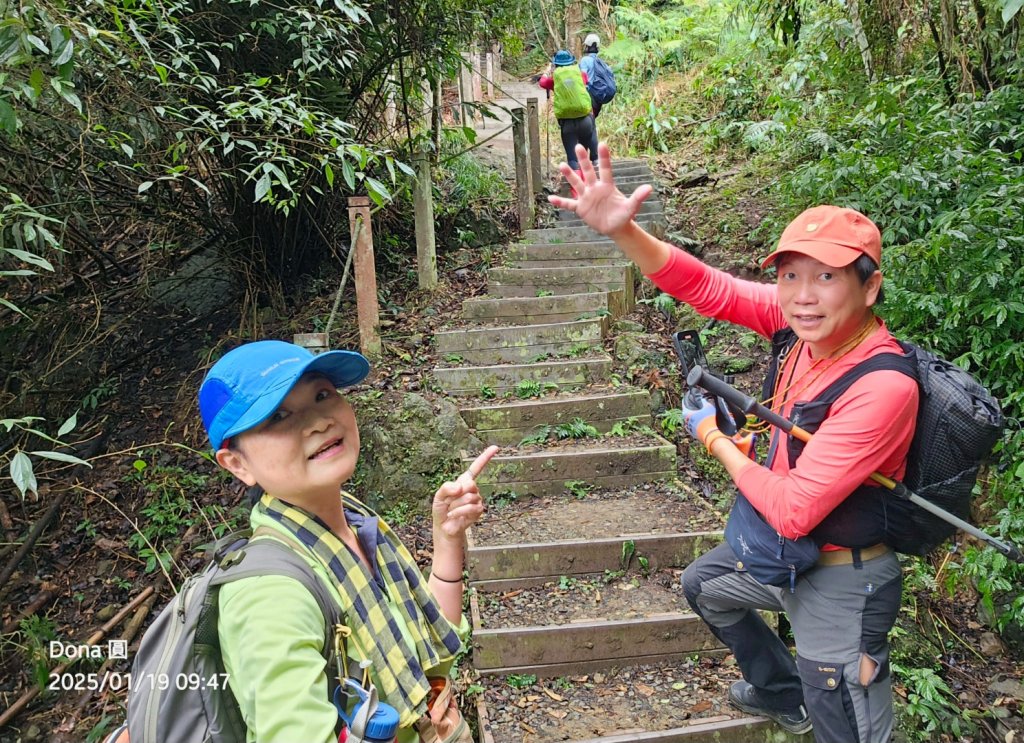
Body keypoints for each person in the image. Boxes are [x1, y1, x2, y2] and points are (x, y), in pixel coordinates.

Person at [549, 143, 917, 743]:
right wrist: (625, 231)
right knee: (705, 586)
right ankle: (779, 692)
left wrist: (715, 440)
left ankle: (815, 700)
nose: (802, 294)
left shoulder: (883, 385)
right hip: (780, 558)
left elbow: (797, 508)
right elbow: (710, 289)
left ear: (868, 288)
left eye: (826, 277)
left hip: (842, 578)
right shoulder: (797, 325)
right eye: (790, 275)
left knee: (845, 725)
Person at [196, 340, 495, 742]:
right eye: (279, 415)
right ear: (238, 464)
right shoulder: (269, 595)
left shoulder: (358, 528)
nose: (318, 421)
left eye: (323, 395)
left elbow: (434, 652)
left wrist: (446, 536)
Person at [539, 50, 598, 184]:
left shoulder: (555, 79)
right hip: (586, 121)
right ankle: (594, 165)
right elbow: (586, 80)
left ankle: (577, 192)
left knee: (573, 158)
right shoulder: (579, 74)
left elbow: (542, 83)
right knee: (584, 153)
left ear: (556, 65)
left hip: (567, 125)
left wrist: (547, 72)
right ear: (572, 62)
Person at [578, 33, 611, 118]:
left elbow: (583, 79)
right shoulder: (601, 62)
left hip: (588, 98)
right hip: (598, 99)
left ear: (587, 46)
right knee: (591, 122)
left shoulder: (585, 60)